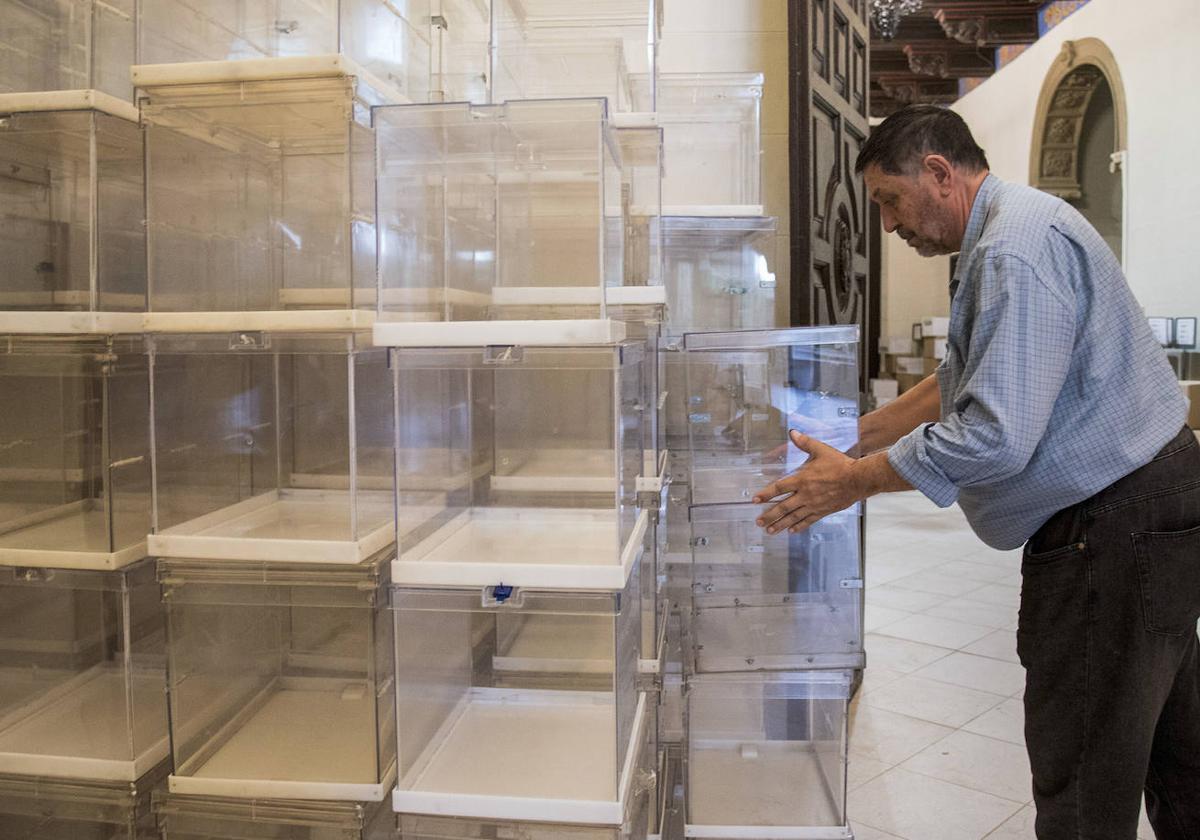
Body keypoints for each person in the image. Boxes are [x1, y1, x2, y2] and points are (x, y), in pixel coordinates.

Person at [753, 104, 1200, 839]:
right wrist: (851, 435)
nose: (891, 227)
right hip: (1160, 498)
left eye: (892, 202)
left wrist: (852, 481)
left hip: (1114, 528)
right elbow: (962, 375)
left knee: (1085, 773)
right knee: (1176, 750)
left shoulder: (1009, 250)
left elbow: (992, 437)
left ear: (938, 172)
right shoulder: (1014, 226)